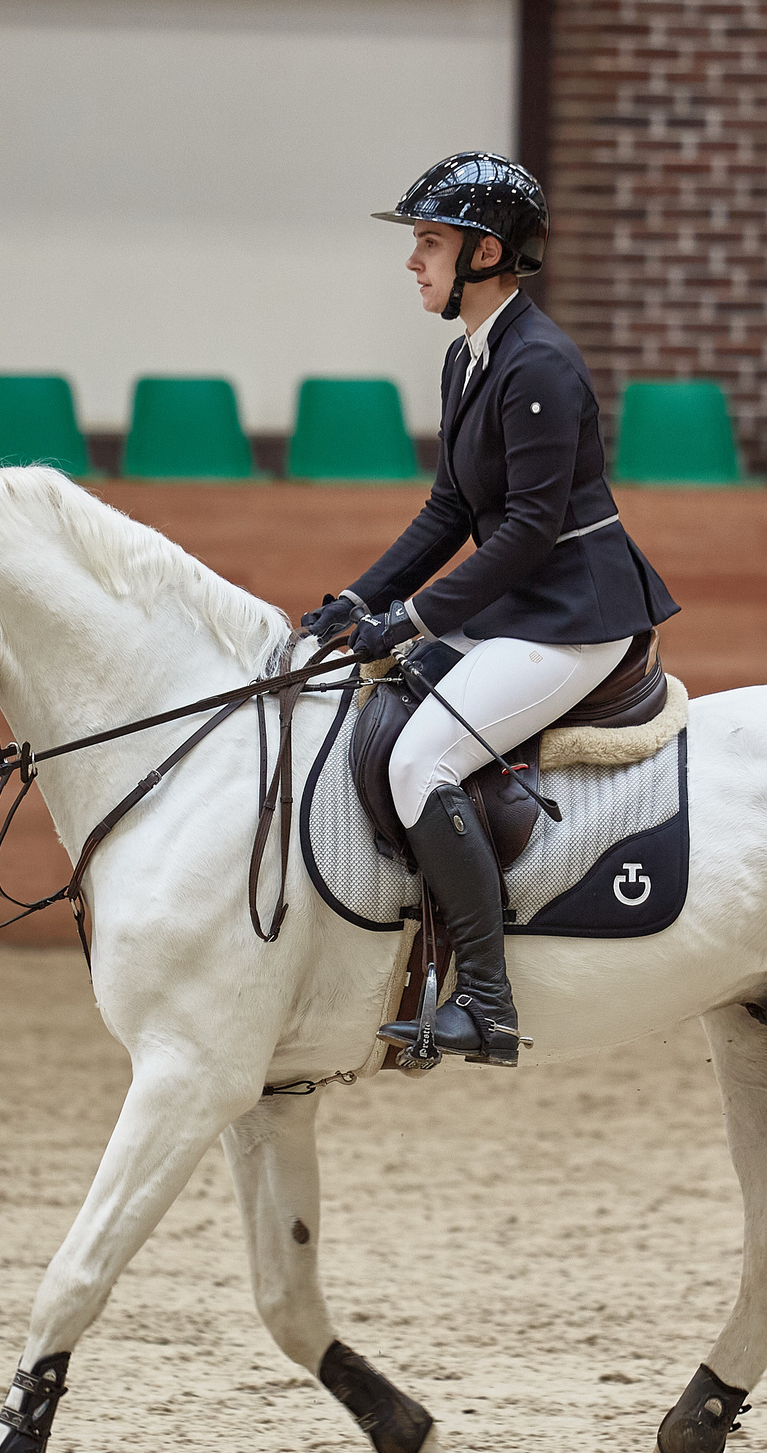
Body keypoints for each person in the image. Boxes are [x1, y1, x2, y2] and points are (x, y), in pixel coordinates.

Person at [297, 151, 679, 1068]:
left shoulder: (538, 362)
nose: (412, 261)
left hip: (574, 617)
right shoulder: (469, 358)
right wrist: (360, 600)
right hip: (523, 607)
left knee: (423, 758)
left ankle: (486, 998)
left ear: (485, 252)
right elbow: (452, 511)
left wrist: (417, 620)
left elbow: (530, 533)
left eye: (428, 242)